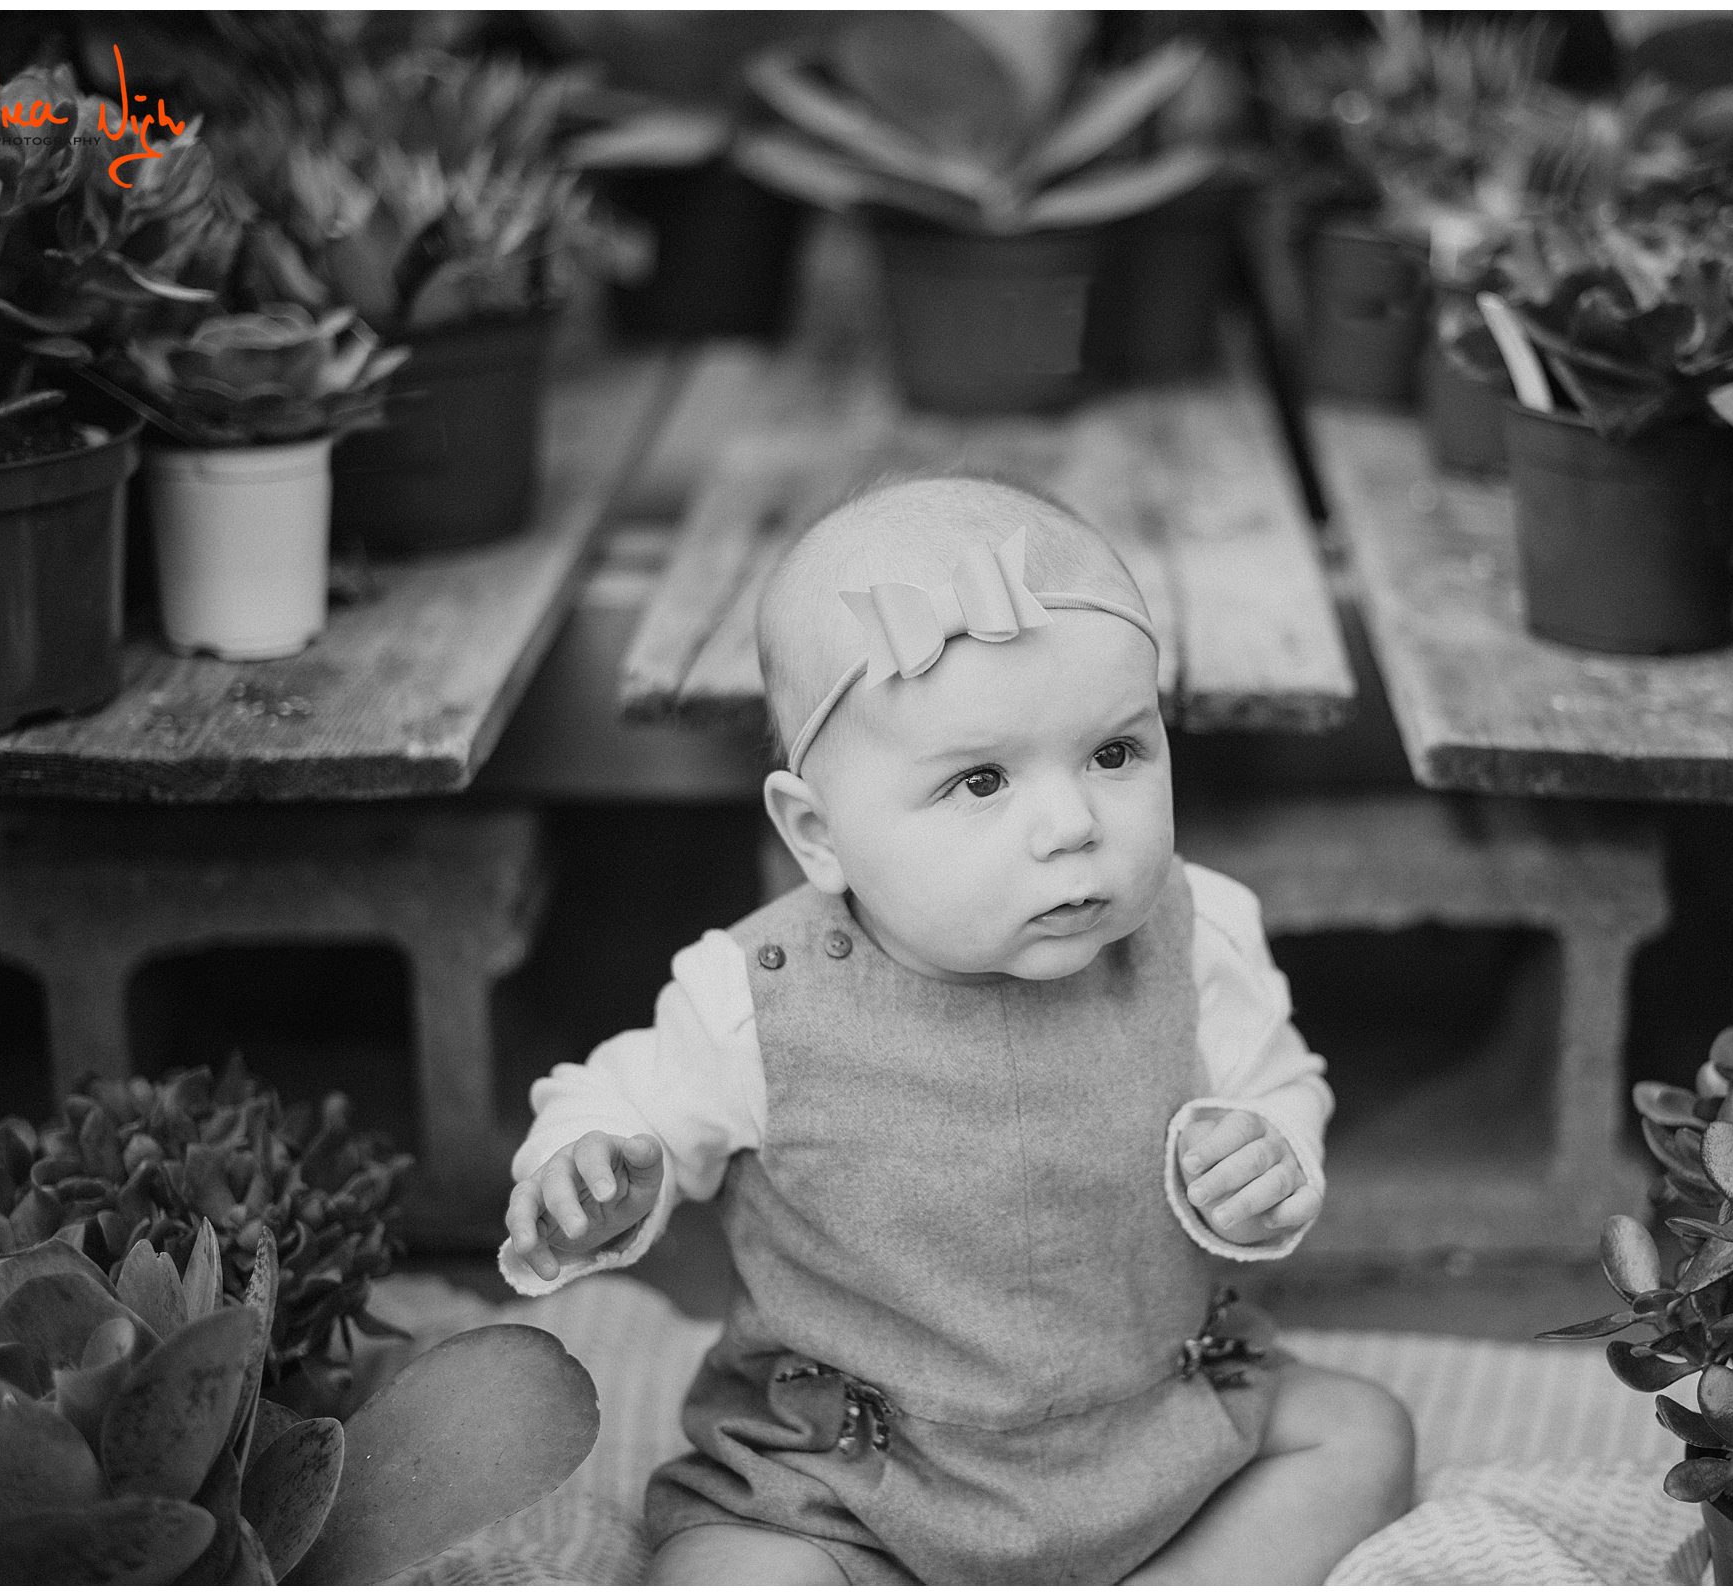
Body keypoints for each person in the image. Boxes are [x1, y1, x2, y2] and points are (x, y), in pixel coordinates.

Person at [501, 476, 1414, 1584]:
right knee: (729, 1575)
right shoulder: (752, 996)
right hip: (850, 1483)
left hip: (1149, 1437)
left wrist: (1268, 1156)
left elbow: (1281, 1082)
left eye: (1116, 753)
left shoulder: (1199, 933)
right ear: (817, 832)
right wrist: (594, 1170)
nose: (1073, 824)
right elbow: (620, 1100)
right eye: (980, 779)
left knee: (1359, 1434)